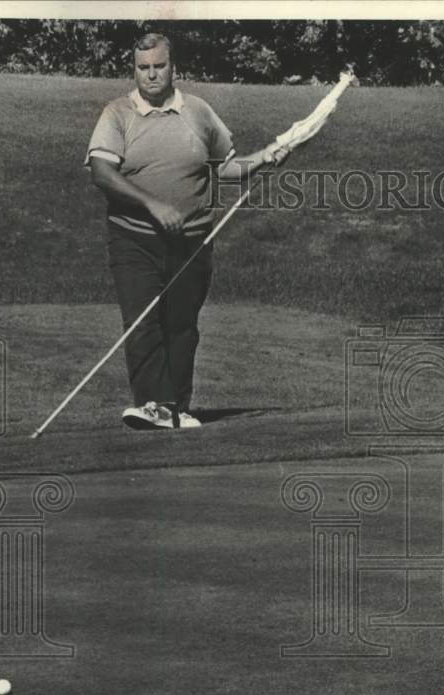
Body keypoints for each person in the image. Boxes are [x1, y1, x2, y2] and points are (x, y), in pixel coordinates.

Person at [85, 33, 283, 430]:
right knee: (142, 320)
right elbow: (102, 172)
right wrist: (153, 204)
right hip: (133, 236)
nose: (152, 75)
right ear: (134, 69)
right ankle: (152, 404)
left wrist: (263, 159)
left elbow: (224, 167)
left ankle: (177, 406)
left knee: (181, 324)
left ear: (174, 67)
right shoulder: (117, 113)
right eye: (144, 68)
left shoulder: (198, 112)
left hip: (192, 239)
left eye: (159, 66)